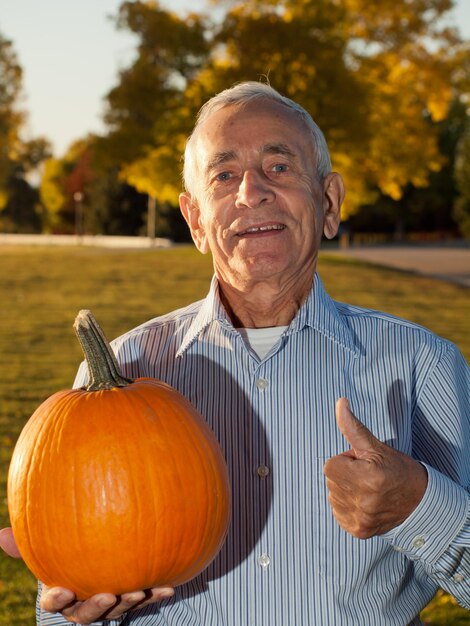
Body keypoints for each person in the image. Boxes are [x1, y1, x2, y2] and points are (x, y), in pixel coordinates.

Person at [1, 82, 469, 625]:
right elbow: (64, 603)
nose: (252, 192)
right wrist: (71, 612)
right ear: (196, 221)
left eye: (278, 166)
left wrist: (418, 508)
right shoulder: (119, 370)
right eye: (223, 175)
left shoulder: (421, 365)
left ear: (329, 203)